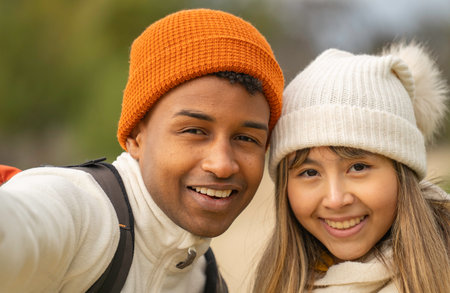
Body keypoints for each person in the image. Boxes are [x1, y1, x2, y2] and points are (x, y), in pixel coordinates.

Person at [0, 8, 284, 293]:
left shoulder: (203, 278)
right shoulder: (82, 213)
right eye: (194, 131)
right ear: (136, 135)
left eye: (246, 138)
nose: (222, 165)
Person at [253, 42, 449, 292]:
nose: (336, 200)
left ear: (402, 171)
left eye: (358, 167)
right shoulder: (279, 283)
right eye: (310, 172)